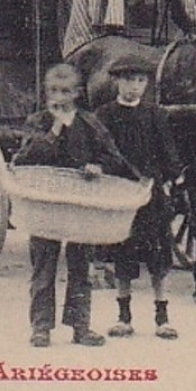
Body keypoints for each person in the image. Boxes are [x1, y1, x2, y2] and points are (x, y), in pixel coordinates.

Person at [14, 63, 131, 347]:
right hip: (47, 204)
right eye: (53, 91)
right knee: (43, 265)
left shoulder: (90, 123)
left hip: (81, 205)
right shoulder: (37, 121)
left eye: (66, 92)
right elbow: (25, 157)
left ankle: (81, 326)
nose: (59, 98)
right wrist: (55, 129)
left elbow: (113, 156)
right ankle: (41, 327)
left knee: (81, 266)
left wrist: (98, 166)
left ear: (77, 94)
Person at [95, 55, 184, 340]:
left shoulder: (155, 114)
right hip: (121, 193)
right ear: (117, 82)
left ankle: (162, 317)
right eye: (129, 80)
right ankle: (124, 317)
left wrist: (169, 178)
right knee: (124, 253)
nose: (135, 87)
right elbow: (100, 152)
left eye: (140, 81)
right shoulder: (105, 115)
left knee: (158, 255)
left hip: (150, 192)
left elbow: (168, 152)